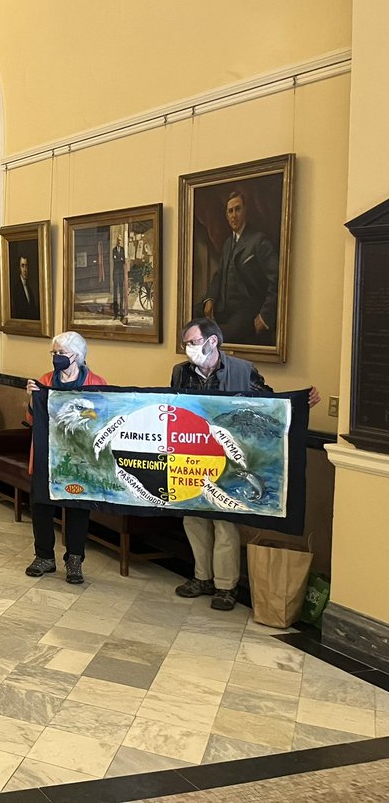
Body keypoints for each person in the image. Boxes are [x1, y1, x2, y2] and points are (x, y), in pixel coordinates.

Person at [171, 317, 319, 611]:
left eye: (193, 342)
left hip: (230, 455)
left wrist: (299, 404)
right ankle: (202, 577)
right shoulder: (181, 372)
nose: (188, 348)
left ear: (212, 341)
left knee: (225, 519)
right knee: (193, 516)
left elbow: (266, 405)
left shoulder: (242, 370)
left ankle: (226, 586)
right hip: (192, 454)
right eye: (185, 343)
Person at [24, 331, 107, 584]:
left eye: (62, 353)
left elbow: (103, 421)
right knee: (41, 507)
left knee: (77, 510)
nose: (56, 357)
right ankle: (44, 556)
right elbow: (31, 420)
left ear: (78, 356)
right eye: (54, 353)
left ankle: (74, 560)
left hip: (79, 458)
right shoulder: (45, 380)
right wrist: (31, 399)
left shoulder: (97, 383)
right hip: (46, 455)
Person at [200, 190, 279, 346]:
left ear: (245, 211)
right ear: (227, 216)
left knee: (215, 338)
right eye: (230, 211)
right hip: (224, 310)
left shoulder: (258, 241)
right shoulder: (228, 243)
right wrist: (209, 299)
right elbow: (220, 275)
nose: (234, 215)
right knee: (193, 324)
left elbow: (278, 280)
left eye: (238, 209)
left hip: (248, 311)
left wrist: (265, 316)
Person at [10, 255, 41, 321]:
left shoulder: (30, 288)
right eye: (22, 266)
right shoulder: (16, 289)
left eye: (26, 266)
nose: (25, 269)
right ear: (19, 268)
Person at [111, 238, 127, 320]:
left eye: (120, 241)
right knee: (115, 295)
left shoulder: (123, 249)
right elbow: (115, 260)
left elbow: (124, 260)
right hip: (115, 274)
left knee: (121, 294)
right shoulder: (113, 250)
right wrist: (119, 259)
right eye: (118, 241)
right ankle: (115, 313)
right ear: (116, 241)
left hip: (121, 274)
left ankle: (121, 312)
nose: (119, 242)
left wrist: (120, 259)